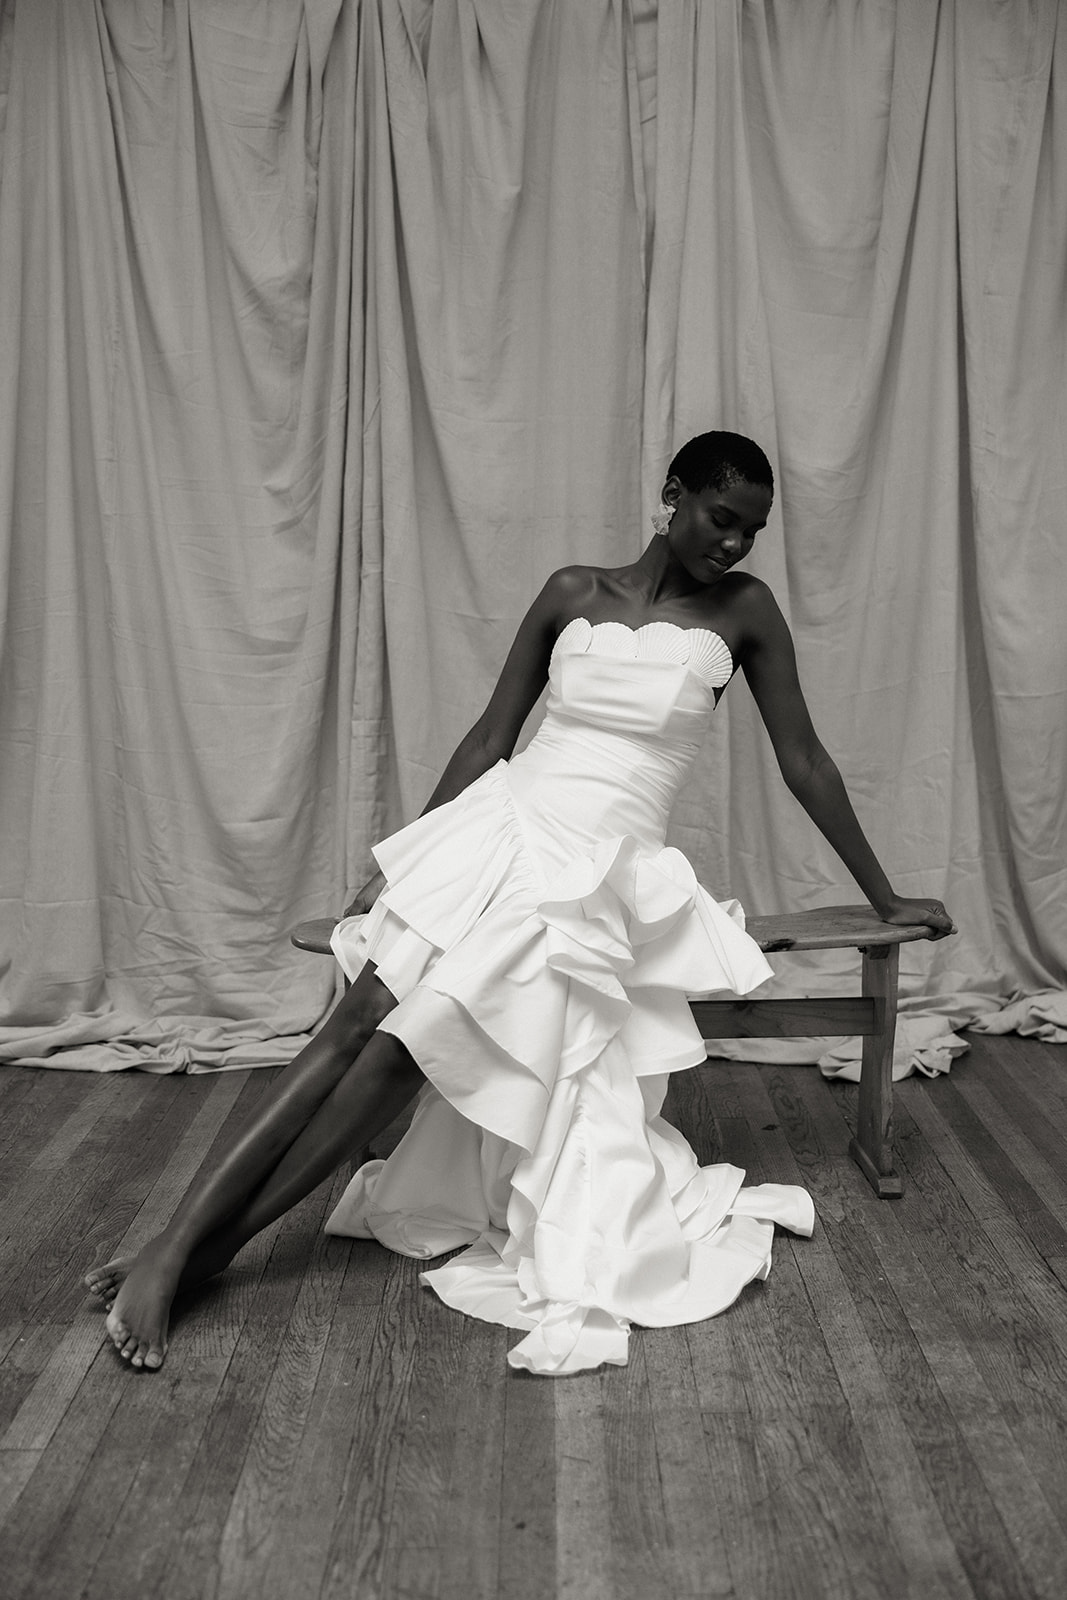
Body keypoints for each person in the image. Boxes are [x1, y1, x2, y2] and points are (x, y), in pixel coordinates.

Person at [86, 430, 953, 1375]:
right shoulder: (572, 590)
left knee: (396, 1058)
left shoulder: (746, 613)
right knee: (351, 1025)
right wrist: (404, 861)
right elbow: (490, 736)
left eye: (750, 530)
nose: (734, 544)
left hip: (592, 875)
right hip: (499, 830)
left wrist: (883, 892)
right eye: (720, 518)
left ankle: (194, 1258)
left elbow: (806, 761)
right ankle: (179, 1247)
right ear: (672, 494)